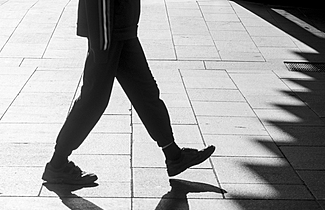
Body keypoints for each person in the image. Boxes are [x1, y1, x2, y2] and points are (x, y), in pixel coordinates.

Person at [42, 0, 215, 187]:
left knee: (145, 92)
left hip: (122, 28)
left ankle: (173, 155)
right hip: (109, 31)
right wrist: (102, 43)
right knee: (93, 100)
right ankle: (57, 164)